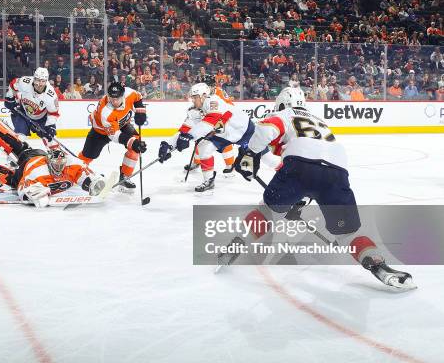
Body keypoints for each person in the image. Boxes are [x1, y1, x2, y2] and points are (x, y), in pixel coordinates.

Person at [233, 86, 415, 290]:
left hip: (299, 166)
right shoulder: (319, 121)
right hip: (337, 172)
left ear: (283, 103)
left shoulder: (284, 114)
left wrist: (249, 154)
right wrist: (300, 200)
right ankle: (377, 263)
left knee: (266, 211)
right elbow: (317, 168)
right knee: (348, 233)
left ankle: (240, 242)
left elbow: (268, 133)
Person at [0, 119, 107, 207]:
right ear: (49, 164)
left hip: (39, 154)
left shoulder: (70, 165)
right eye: (56, 165)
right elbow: (21, 188)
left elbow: (83, 171)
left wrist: (93, 182)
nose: (59, 168)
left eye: (61, 165)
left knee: (21, 147)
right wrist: (32, 194)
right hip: (29, 162)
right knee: (12, 180)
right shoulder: (37, 173)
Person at [158, 83, 255, 192]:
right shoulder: (194, 110)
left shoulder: (213, 101)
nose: (193, 100)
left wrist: (189, 136)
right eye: (192, 98)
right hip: (224, 134)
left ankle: (277, 171)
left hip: (245, 129)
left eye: (195, 97)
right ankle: (209, 180)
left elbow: (210, 122)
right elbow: (185, 128)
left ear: (203, 95)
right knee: (204, 148)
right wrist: (169, 145)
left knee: (265, 157)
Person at [78, 82, 147, 191]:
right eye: (111, 98)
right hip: (100, 131)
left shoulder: (129, 93)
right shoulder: (106, 112)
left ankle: (124, 177)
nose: (114, 101)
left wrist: (141, 111)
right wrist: (132, 142)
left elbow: (138, 97)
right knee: (87, 156)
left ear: (123, 95)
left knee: (136, 147)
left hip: (123, 124)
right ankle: (75, 174)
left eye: (117, 98)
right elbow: (113, 135)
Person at [183, 74, 236, 175]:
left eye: (209, 85)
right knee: (200, 140)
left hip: (223, 118)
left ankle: (230, 164)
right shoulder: (204, 94)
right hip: (211, 117)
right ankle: (197, 162)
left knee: (224, 141)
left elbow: (228, 106)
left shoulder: (218, 92)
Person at [4, 67, 60, 149]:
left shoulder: (51, 95)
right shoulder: (25, 82)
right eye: (37, 80)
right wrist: (9, 98)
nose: (39, 84)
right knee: (18, 139)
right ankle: (17, 156)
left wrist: (50, 126)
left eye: (42, 81)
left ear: (46, 81)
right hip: (23, 114)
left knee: (51, 141)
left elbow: (53, 113)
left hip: (42, 119)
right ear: (34, 78)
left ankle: (56, 154)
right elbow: (13, 84)